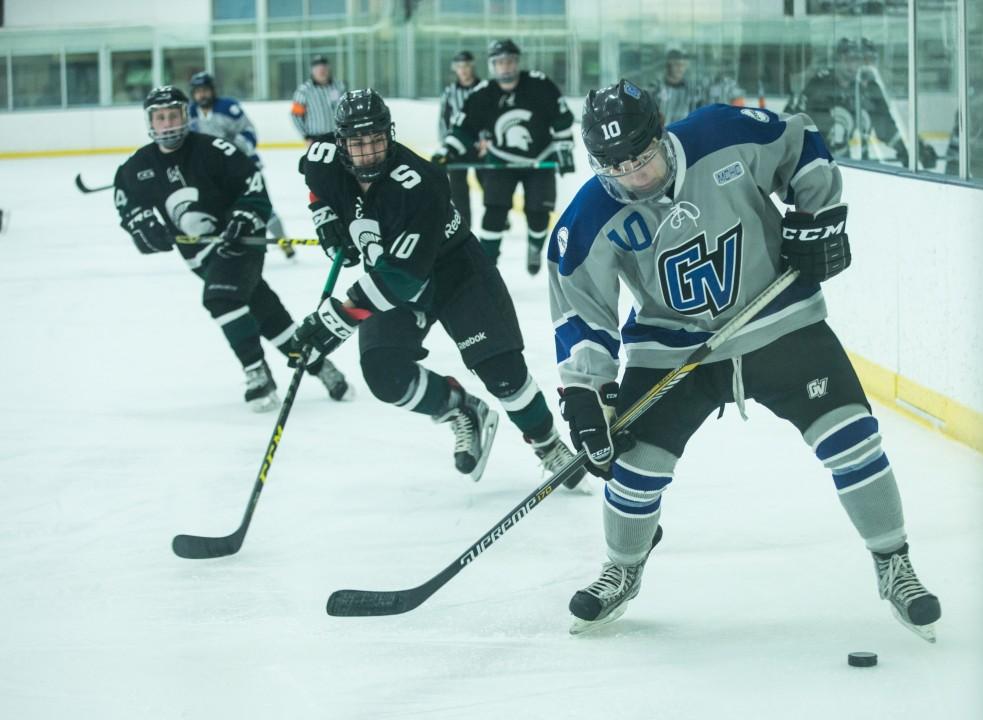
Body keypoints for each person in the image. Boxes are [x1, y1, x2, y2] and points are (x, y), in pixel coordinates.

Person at [549, 79, 941, 639]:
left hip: (777, 321)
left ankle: (893, 563)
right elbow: (581, 313)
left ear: (662, 133)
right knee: (636, 471)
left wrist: (819, 214)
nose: (635, 176)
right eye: (616, 168)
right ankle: (623, 569)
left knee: (852, 437)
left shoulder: (721, 133)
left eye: (642, 158)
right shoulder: (588, 217)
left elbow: (801, 142)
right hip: (673, 348)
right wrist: (586, 394)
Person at [294, 88, 587, 488]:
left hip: (455, 274)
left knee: (504, 374)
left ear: (389, 135)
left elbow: (402, 276)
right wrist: (325, 216)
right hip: (390, 275)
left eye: (377, 140)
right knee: (383, 373)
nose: (369, 153)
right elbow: (315, 185)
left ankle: (548, 445)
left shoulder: (421, 183)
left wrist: (337, 318)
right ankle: (461, 410)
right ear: (340, 142)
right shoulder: (323, 157)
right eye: (357, 143)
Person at [113, 86, 351, 411]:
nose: (168, 123)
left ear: (185, 115)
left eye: (173, 115)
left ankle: (257, 372)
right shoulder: (136, 168)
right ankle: (320, 365)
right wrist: (142, 226)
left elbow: (253, 185)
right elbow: (128, 208)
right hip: (199, 257)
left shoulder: (214, 150)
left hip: (240, 242)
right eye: (160, 117)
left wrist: (245, 215)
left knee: (221, 297)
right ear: (150, 122)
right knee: (267, 315)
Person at [435, 39, 575, 276]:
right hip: (501, 162)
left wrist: (564, 150)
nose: (506, 67)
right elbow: (463, 130)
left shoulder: (540, 85)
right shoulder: (483, 94)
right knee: (494, 213)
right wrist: (447, 151)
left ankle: (534, 247)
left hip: (539, 160)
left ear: (517, 62)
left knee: (538, 215)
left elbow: (562, 120)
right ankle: (486, 266)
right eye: (500, 62)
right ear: (492, 66)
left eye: (510, 61)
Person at [188, 71, 294, 260]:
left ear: (212, 90)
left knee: (262, 208)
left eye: (205, 90)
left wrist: (233, 147)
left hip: (244, 168)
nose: (201, 95)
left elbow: (250, 133)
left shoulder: (229, 107)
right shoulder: (191, 113)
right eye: (198, 91)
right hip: (216, 176)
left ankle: (284, 242)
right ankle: (232, 247)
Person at [785, 38, 936, 169]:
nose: (854, 66)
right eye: (849, 59)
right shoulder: (820, 84)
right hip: (817, 164)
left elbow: (886, 126)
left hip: (852, 164)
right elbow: (794, 120)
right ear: (837, 60)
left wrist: (912, 150)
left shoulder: (867, 88)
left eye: (858, 60)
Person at [437, 50, 483, 227]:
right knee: (458, 189)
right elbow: (443, 120)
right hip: (456, 147)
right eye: (459, 67)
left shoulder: (485, 88)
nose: (463, 70)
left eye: (466, 66)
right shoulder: (449, 93)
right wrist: (446, 146)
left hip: (481, 147)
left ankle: (499, 215)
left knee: (489, 183)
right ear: (455, 69)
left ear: (472, 66)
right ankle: (466, 226)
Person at [291, 56, 347, 143]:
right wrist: (306, 136)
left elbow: (346, 110)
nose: (321, 71)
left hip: (338, 135)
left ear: (328, 69)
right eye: (318, 69)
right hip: (316, 138)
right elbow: (296, 116)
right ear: (312, 71)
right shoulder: (304, 90)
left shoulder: (339, 86)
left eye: (324, 68)